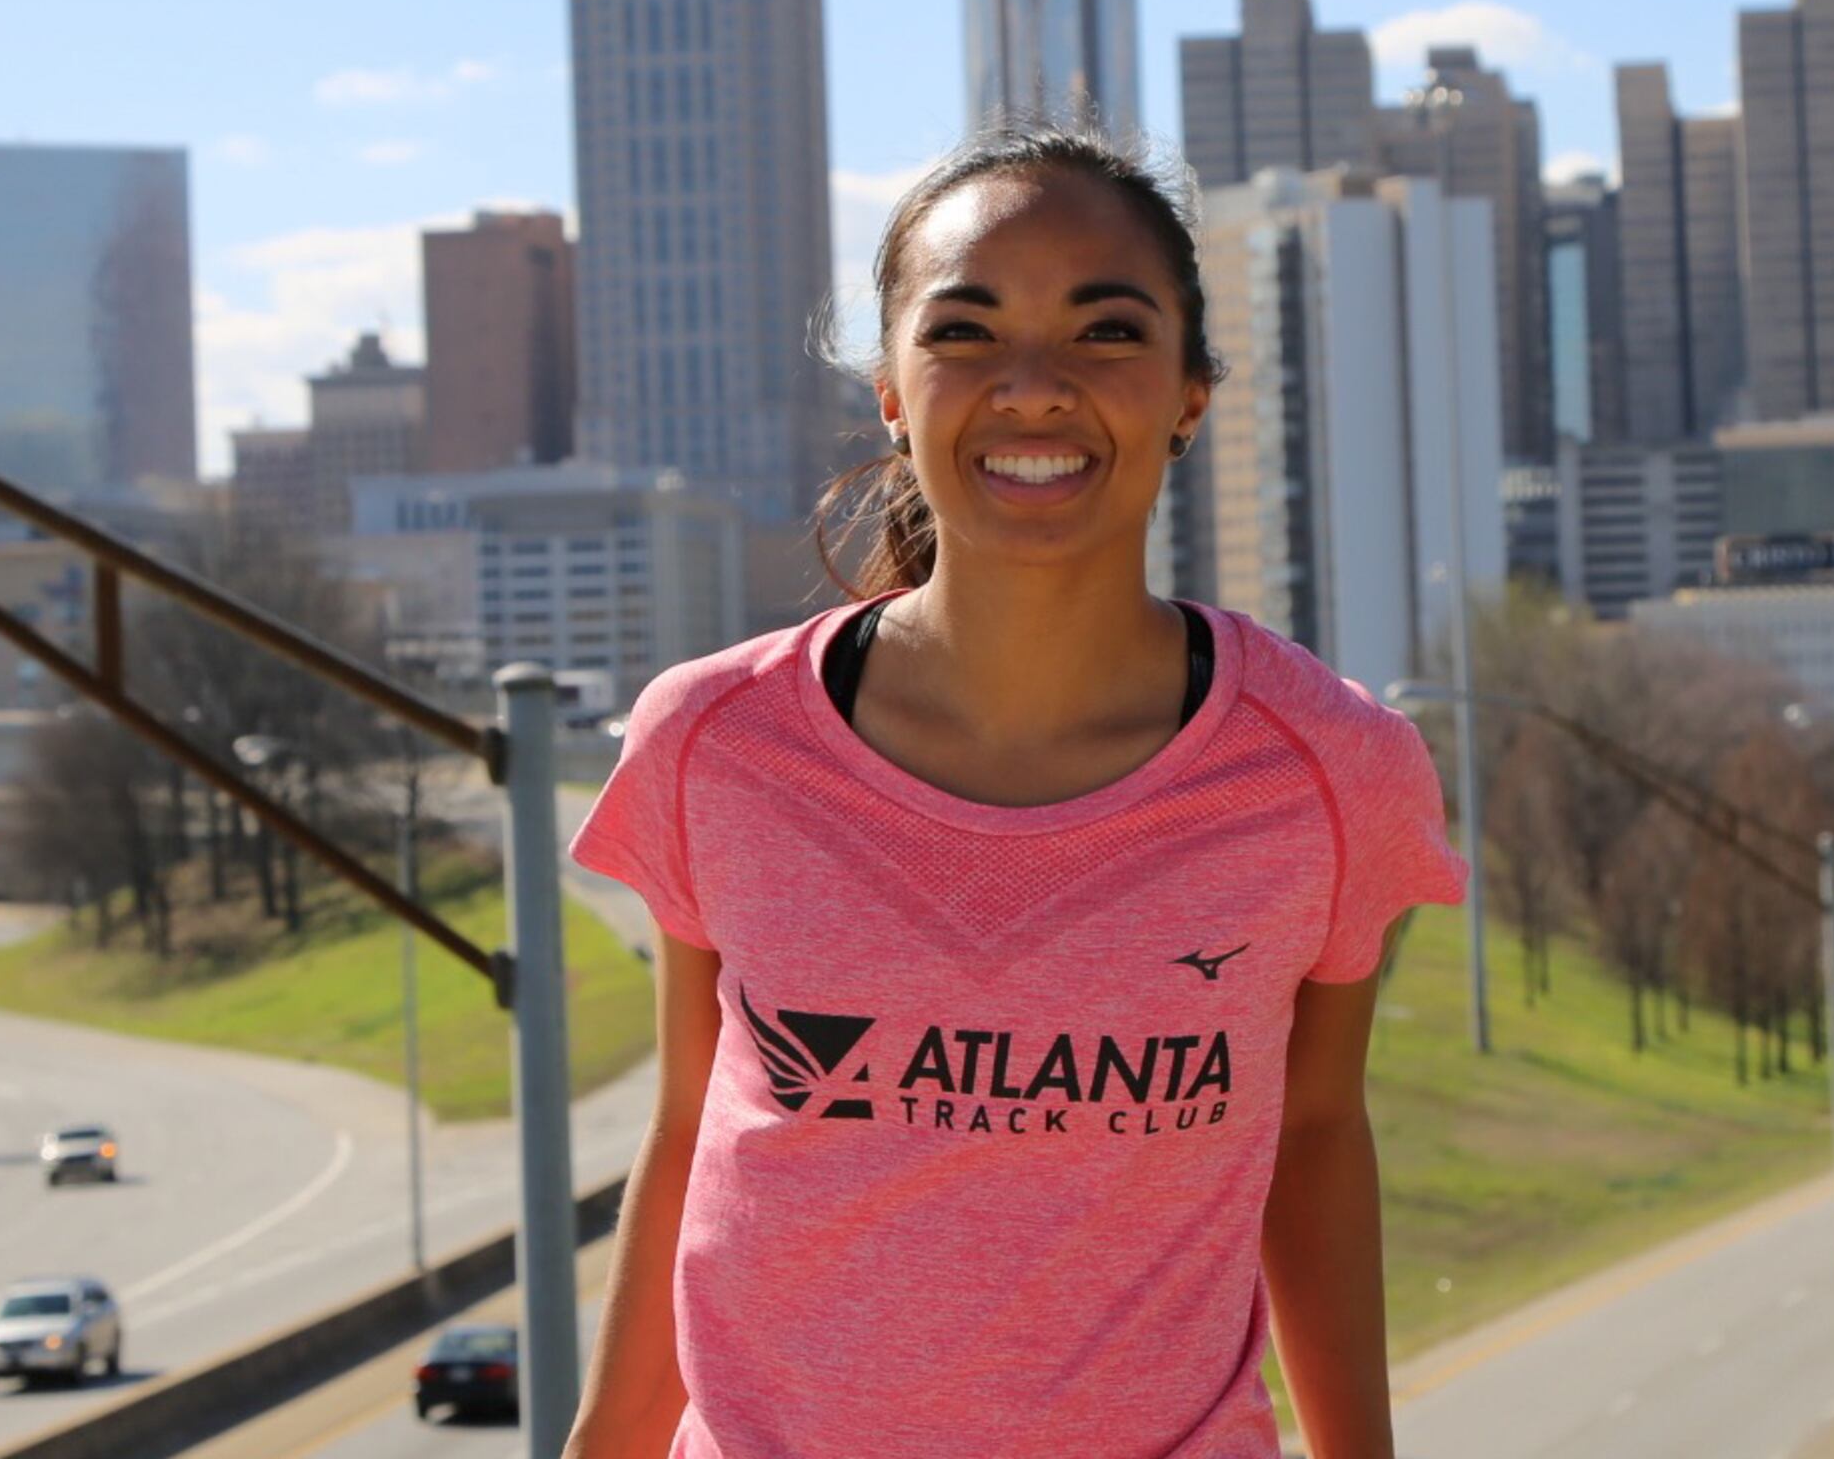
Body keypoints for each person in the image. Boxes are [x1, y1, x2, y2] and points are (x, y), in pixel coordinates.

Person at [564, 124, 1465, 1459]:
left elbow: (1320, 1135)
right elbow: (694, 1130)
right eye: (965, 332)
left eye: (1106, 332)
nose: (1032, 386)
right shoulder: (716, 740)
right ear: (889, 388)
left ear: (1190, 392)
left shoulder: (1332, 770)